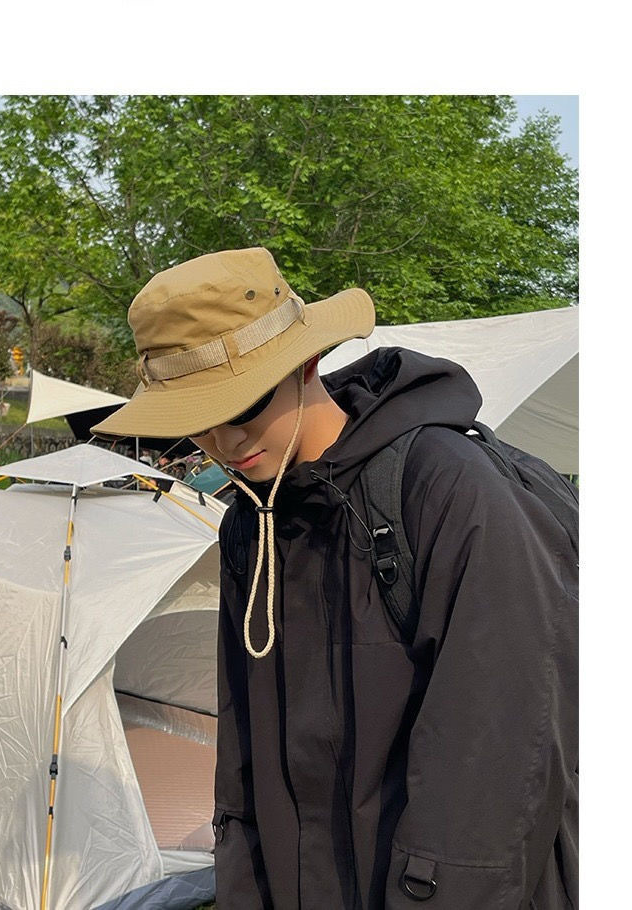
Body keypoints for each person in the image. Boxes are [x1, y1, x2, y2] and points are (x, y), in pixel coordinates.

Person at [92, 247, 578, 909]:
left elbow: (498, 763)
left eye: (244, 404)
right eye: (196, 421)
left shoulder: (445, 489)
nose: (224, 441)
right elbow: (244, 754)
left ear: (306, 362)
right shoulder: (248, 523)